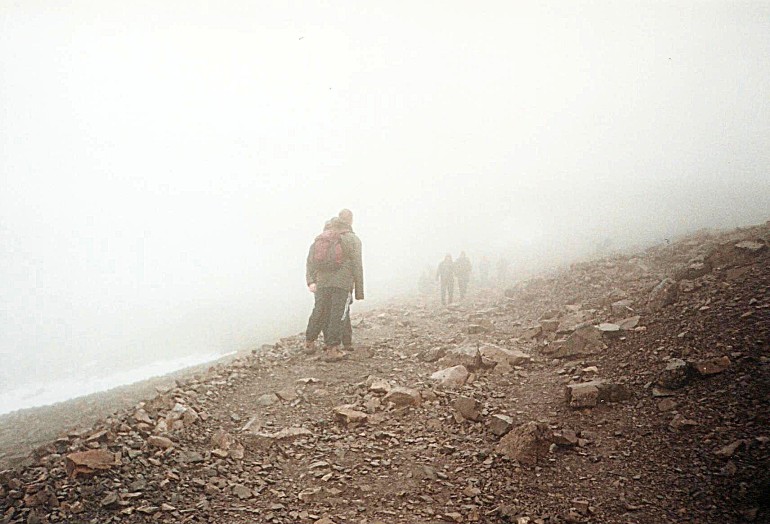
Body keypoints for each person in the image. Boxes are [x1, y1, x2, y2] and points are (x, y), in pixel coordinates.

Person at [305, 209, 364, 360]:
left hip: (322, 281)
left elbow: (311, 261)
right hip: (342, 282)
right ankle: (333, 348)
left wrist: (312, 281)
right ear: (350, 221)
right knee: (339, 314)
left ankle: (309, 343)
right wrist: (359, 291)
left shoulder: (324, 237)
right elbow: (357, 265)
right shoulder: (352, 239)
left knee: (321, 311)